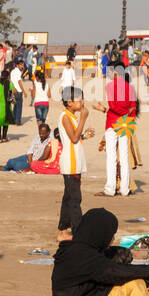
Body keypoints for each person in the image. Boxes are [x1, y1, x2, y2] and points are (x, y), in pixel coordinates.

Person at [93, 65, 137, 198]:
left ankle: (110, 188)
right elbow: (133, 108)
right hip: (125, 123)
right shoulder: (130, 87)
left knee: (111, 156)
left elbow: (113, 106)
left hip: (113, 122)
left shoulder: (110, 86)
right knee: (124, 156)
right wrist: (128, 116)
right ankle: (124, 189)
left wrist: (107, 110)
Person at [56, 88, 95, 236]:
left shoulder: (72, 116)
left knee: (69, 197)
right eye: (79, 100)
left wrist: (84, 136)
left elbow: (75, 138)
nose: (82, 103)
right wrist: (84, 119)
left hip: (76, 161)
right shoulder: (65, 116)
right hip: (70, 162)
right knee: (75, 198)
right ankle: (77, 230)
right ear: (69, 102)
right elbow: (72, 138)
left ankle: (62, 230)